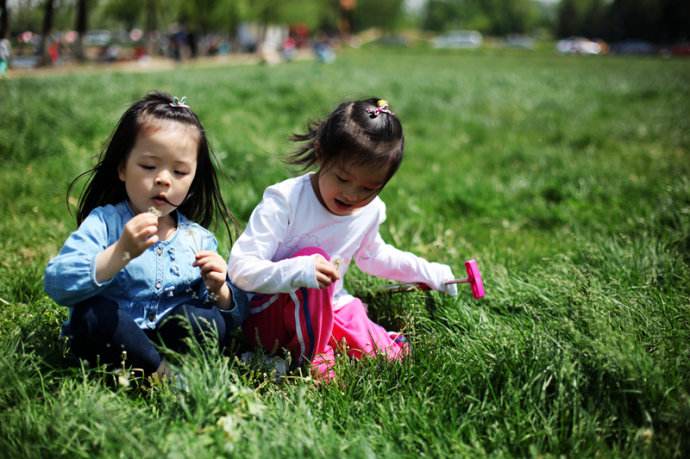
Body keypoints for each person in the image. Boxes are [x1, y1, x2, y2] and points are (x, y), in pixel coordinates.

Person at [229, 98, 457, 380]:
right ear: (321, 153)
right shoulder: (285, 200)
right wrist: (298, 271)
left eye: (368, 188)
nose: (352, 195)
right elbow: (240, 268)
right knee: (312, 258)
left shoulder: (370, 210)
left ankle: (362, 341)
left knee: (386, 354)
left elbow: (375, 256)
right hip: (272, 315)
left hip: (331, 306)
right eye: (342, 178)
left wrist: (428, 272)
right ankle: (307, 356)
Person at [45, 92, 248, 379]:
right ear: (122, 168)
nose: (163, 179)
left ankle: (156, 369)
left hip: (171, 338)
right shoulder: (105, 222)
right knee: (90, 315)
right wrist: (119, 254)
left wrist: (220, 290)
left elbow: (232, 318)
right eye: (149, 166)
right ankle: (163, 374)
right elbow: (57, 284)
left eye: (179, 171)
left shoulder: (197, 238)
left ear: (191, 184)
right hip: (115, 334)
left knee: (207, 321)